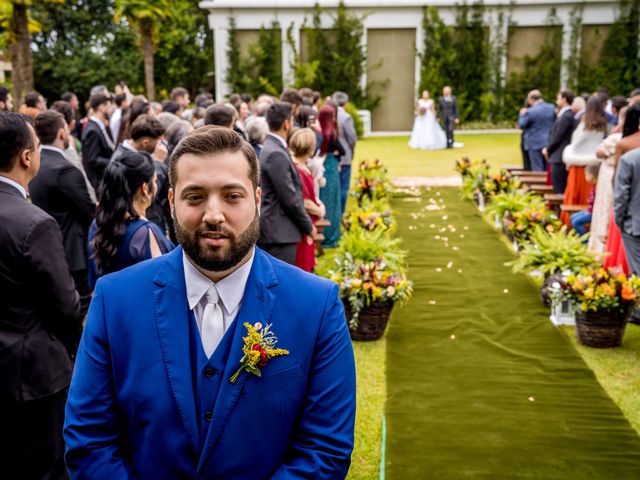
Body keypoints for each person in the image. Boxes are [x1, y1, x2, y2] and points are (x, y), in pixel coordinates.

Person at [64, 125, 356, 478]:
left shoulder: (316, 304)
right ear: (170, 202)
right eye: (195, 197)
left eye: (232, 196)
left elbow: (325, 449)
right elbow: (90, 441)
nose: (213, 214)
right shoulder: (114, 301)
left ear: (258, 200)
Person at [0, 111, 82, 479]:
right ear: (27, 157)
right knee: (46, 467)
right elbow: (65, 305)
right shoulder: (34, 223)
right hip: (31, 374)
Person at [30, 110, 96, 314]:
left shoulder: (36, 165)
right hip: (74, 253)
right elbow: (89, 213)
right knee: (81, 309)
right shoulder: (65, 170)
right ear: (61, 133)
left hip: (46, 248)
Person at [87, 151, 174, 289]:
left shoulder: (98, 223)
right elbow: (163, 284)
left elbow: (94, 281)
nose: (156, 186)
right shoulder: (145, 232)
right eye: (155, 181)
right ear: (145, 188)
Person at [258, 102, 316, 264]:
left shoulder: (273, 147)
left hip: (278, 230)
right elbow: (289, 198)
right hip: (278, 232)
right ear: (286, 123)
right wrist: (308, 226)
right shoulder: (275, 153)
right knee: (281, 283)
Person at [560, 95, 608, 225]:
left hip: (578, 165)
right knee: (590, 195)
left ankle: (570, 224)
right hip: (594, 165)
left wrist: (569, 157)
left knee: (574, 193)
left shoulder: (585, 122)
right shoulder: (603, 124)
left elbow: (576, 143)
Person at [589, 106, 630, 255]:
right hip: (618, 179)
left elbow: (599, 151)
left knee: (606, 212)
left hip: (610, 179)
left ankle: (602, 251)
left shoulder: (618, 139)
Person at [290, 128, 325, 272]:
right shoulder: (297, 170)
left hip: (309, 222)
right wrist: (319, 210)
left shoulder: (304, 166)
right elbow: (303, 201)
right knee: (302, 265)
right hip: (303, 225)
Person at [318, 104, 345, 248]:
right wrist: (337, 153)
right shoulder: (331, 133)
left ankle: (323, 234)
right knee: (333, 200)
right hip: (331, 165)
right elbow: (343, 150)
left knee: (324, 198)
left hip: (322, 165)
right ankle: (331, 236)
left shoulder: (319, 133)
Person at [543, 89, 576, 193]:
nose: (557, 100)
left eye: (558, 98)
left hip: (559, 156)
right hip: (557, 155)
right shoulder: (564, 115)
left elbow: (558, 136)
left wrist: (548, 149)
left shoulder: (567, 116)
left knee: (559, 189)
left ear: (564, 99)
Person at [82, 93, 115, 190]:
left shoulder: (99, 125)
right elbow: (93, 159)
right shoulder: (92, 130)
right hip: (99, 182)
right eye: (109, 105)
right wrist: (114, 162)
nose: (111, 108)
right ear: (101, 107)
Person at [518, 89, 556, 171]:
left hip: (534, 144)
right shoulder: (552, 108)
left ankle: (538, 184)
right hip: (548, 142)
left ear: (531, 99)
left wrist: (521, 115)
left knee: (537, 168)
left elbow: (521, 124)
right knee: (548, 168)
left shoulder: (530, 111)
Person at [333, 91, 358, 214]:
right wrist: (352, 152)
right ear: (345, 103)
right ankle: (341, 213)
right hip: (345, 155)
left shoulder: (330, 114)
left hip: (333, 155)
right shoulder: (346, 117)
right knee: (343, 186)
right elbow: (352, 138)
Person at [570, 163, 599, 238]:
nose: (585, 177)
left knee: (576, 222)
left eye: (587, 174)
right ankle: (579, 237)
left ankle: (584, 240)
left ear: (593, 175)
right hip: (589, 210)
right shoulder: (593, 186)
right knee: (573, 217)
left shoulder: (598, 187)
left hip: (594, 213)